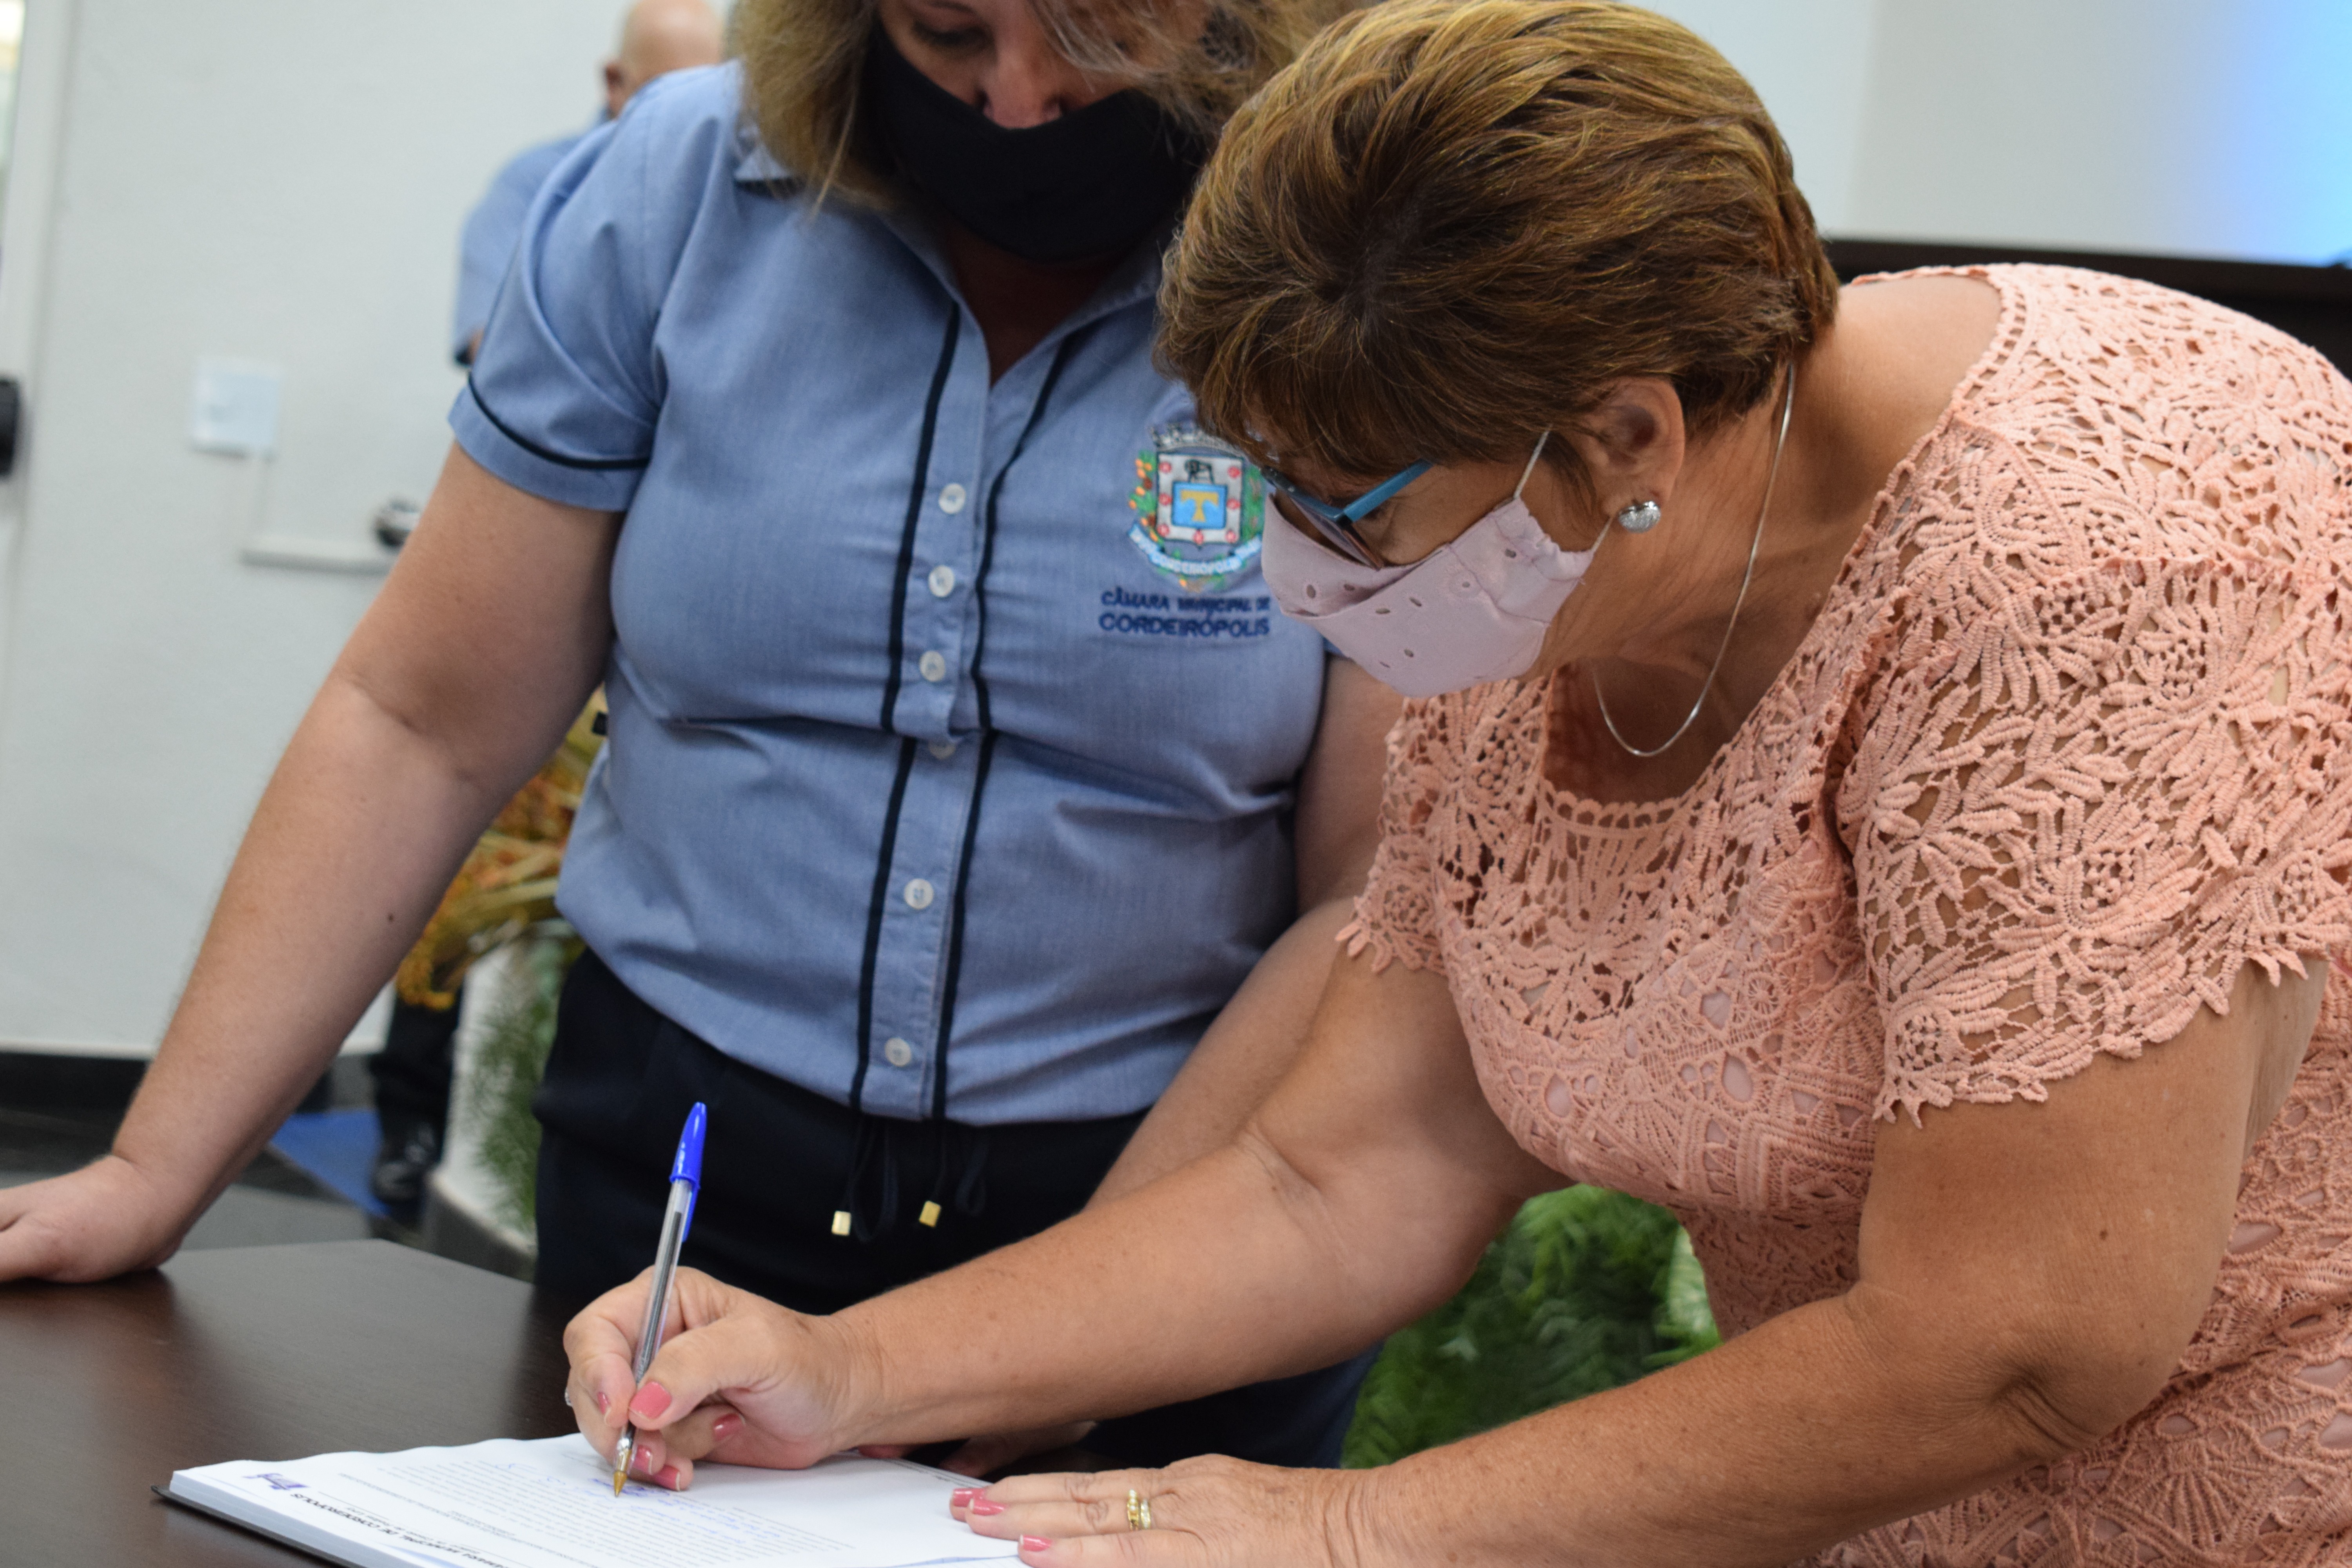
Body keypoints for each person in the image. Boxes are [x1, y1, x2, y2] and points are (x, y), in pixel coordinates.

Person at [553, 3, 2352, 1562]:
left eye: (1344, 507)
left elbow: (2018, 1339)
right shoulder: (1564, 572)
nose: (1295, 573)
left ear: (1625, 435)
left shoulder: (2101, 583)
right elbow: (1349, 1169)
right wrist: (849, 1366)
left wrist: (1349, 1528)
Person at [0, 0, 1391, 1475]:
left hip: (1173, 1214)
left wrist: (1056, 1336)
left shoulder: (1354, 246)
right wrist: (152, 1171)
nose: (1017, 97)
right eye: (946, 30)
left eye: (1098, 39)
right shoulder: (679, 192)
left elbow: (1377, 893)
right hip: (686, 1203)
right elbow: (420, 722)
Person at [376, 0, 723, 1208]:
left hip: (658, 611)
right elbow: (511, 362)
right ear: (611, 82)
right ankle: (405, 1119)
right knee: (466, 864)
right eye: (661, 95)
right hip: (549, 581)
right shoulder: (549, 190)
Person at [449, 0, 724, 366]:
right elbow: (493, 353)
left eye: (704, 101)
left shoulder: (735, 194)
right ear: (614, 82)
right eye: (662, 96)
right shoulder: (533, 188)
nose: (683, 122)